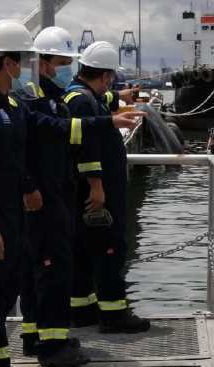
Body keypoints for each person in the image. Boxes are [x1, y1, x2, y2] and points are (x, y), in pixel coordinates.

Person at [0, 19, 132, 367]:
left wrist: (106, 122)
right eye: (23, 60)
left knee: (1, 297)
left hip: (12, 220)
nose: (27, 67)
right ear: (10, 62)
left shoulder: (12, 106)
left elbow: (51, 131)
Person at [64, 41, 150, 333]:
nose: (110, 85)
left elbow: (101, 105)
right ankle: (114, 314)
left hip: (91, 189)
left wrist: (120, 97)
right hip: (97, 191)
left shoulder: (82, 95)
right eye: (110, 80)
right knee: (109, 248)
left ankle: (83, 311)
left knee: (85, 250)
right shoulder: (82, 100)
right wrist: (97, 188)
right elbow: (87, 148)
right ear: (104, 76)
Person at [17, 26, 89, 367]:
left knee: (36, 270)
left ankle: (34, 335)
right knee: (52, 269)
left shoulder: (45, 98)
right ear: (44, 63)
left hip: (50, 194)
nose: (66, 69)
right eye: (62, 62)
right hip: (45, 199)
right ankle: (53, 344)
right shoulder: (36, 102)